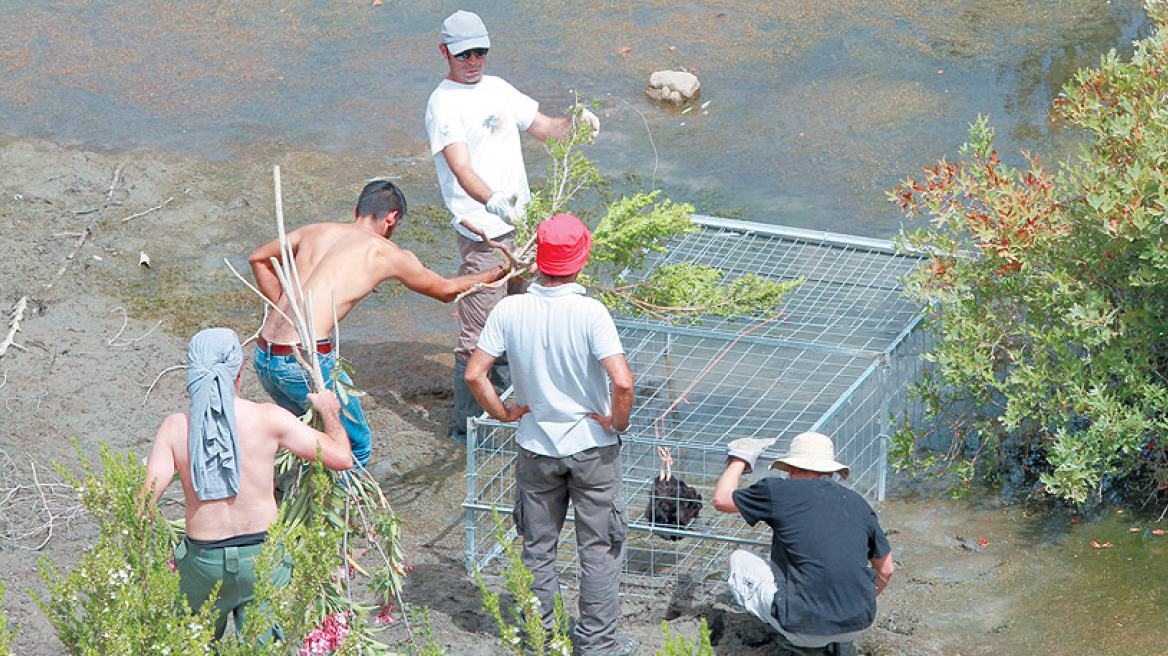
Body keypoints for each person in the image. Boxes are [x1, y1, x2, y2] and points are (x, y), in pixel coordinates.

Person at [464, 214, 636, 656]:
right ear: (582, 259)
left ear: (538, 260)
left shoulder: (510, 308)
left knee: (538, 549)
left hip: (535, 447)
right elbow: (622, 382)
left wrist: (503, 413)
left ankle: (542, 639)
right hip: (592, 450)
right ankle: (597, 647)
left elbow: (474, 374)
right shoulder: (590, 311)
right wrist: (617, 422)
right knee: (599, 549)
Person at [425, 9, 598, 441]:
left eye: (481, 51)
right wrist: (493, 200)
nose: (473, 60)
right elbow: (460, 166)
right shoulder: (443, 103)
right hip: (483, 233)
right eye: (464, 54)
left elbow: (546, 129)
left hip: (523, 230)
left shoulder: (499, 89)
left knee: (527, 311)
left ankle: (514, 398)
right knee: (478, 331)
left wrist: (577, 126)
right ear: (445, 52)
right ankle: (467, 429)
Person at [248, 179, 509, 466]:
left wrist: (286, 314)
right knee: (354, 448)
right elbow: (446, 291)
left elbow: (258, 258)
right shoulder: (382, 252)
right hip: (303, 362)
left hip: (264, 356)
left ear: (358, 209)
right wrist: (500, 271)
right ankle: (343, 508)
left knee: (311, 439)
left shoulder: (315, 231)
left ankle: (310, 502)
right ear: (392, 219)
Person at [140, 327, 354, 641]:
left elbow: (142, 504)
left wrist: (148, 563)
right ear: (239, 371)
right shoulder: (269, 418)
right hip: (262, 558)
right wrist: (329, 412)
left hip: (203, 563)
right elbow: (342, 457)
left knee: (192, 647)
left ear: (193, 374)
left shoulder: (174, 428)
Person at [712, 432, 895, 656]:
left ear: (790, 469)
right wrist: (849, 605)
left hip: (803, 626)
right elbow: (886, 569)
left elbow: (721, 499)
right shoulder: (858, 503)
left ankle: (804, 646)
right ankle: (838, 641)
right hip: (859, 622)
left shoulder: (777, 490)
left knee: (738, 559)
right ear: (830, 472)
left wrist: (739, 460)